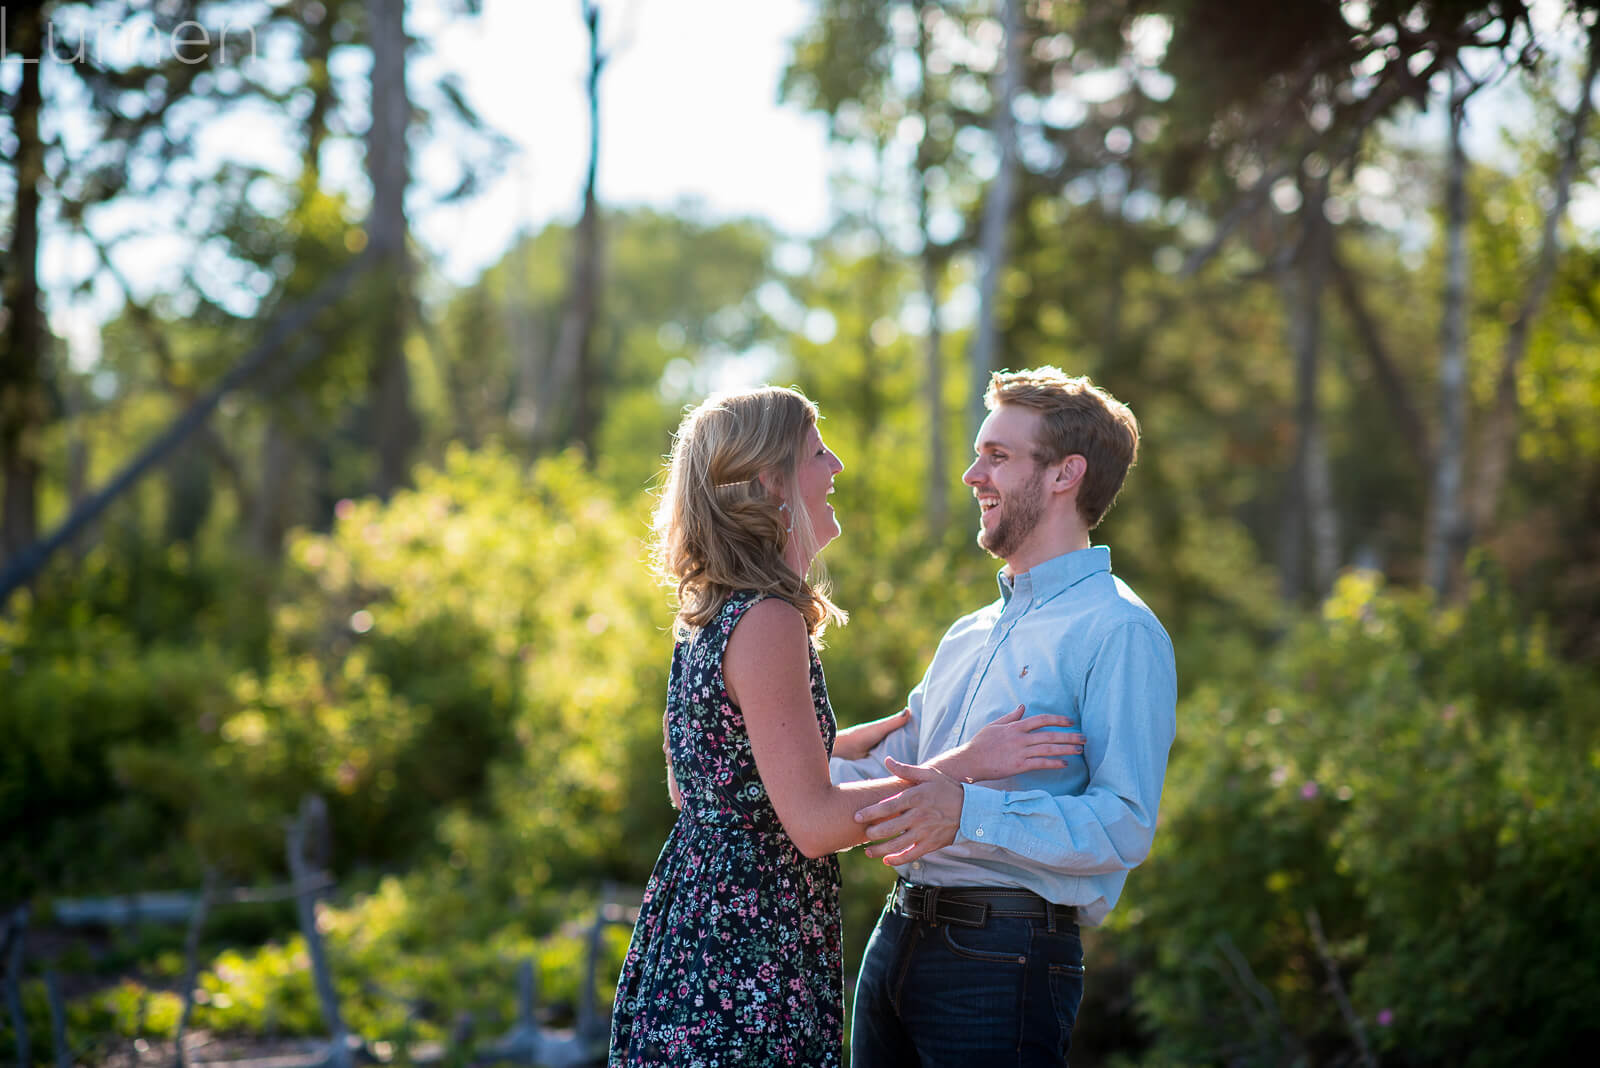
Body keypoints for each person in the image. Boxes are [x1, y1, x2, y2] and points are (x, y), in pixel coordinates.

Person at [608, 386, 1086, 1067]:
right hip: (748, 957)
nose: (834, 467)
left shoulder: (711, 615)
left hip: (696, 932)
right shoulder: (769, 620)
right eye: (816, 452)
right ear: (771, 480)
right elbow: (814, 822)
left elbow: (710, 782)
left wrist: (840, 743)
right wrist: (967, 763)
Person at [832, 367, 1178, 1067]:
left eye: (997, 456)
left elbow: (1124, 825)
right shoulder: (968, 632)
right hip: (895, 938)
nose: (971, 475)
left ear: (1064, 475)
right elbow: (899, 767)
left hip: (1003, 959)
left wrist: (969, 813)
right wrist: (751, 767)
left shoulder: (1119, 631)